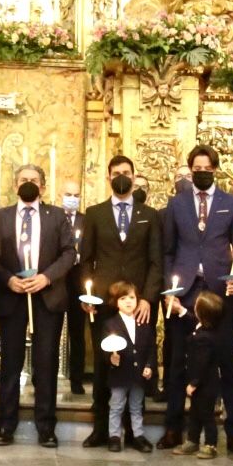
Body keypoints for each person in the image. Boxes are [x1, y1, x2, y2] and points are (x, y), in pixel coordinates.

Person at [161, 146, 233, 452]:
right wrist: (169, 292)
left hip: (219, 291)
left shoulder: (231, 203)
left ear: (215, 170)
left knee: (226, 360)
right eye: (196, 167)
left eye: (207, 168)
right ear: (190, 169)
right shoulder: (177, 203)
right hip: (184, 291)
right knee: (177, 361)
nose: (201, 172)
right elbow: (168, 251)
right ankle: (173, 428)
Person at [0, 163, 76, 448]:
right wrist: (8, 280)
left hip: (46, 298)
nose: (28, 183)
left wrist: (46, 278)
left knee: (46, 362)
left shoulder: (57, 216)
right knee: (10, 363)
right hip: (11, 296)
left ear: (43, 186)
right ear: (15, 185)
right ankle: (5, 424)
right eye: (23, 179)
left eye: (34, 180)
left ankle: (46, 427)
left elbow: (69, 253)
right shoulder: (0, 217)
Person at [79, 154, 161, 448]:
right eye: (116, 173)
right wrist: (86, 296)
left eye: (126, 172)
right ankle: (103, 429)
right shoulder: (95, 213)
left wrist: (148, 298)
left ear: (134, 175)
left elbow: (155, 261)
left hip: (137, 305)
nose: (121, 177)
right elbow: (86, 259)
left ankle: (134, 432)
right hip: (105, 304)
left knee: (135, 367)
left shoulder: (149, 215)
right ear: (109, 177)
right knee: (106, 367)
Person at [100, 281, 153, 452]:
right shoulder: (111, 324)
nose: (128, 301)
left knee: (136, 406)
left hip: (138, 374)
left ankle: (138, 435)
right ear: (116, 302)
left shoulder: (143, 322)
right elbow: (106, 346)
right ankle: (114, 436)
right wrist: (111, 357)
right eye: (123, 298)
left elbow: (152, 347)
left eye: (132, 297)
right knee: (116, 405)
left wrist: (149, 365)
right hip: (120, 373)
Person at [176, 289, 228, 459]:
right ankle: (192, 439)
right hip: (202, 384)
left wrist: (193, 383)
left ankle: (211, 444)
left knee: (206, 415)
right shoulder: (207, 329)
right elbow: (192, 322)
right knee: (194, 413)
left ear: (201, 314)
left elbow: (202, 364)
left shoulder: (204, 338)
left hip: (205, 384)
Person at [58, 180, 88, 395]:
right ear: (61, 195)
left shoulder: (87, 220)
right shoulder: (54, 217)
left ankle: (77, 379)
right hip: (58, 279)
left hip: (78, 280)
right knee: (51, 330)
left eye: (76, 195)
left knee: (78, 333)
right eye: (68, 194)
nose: (72, 198)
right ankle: (42, 376)